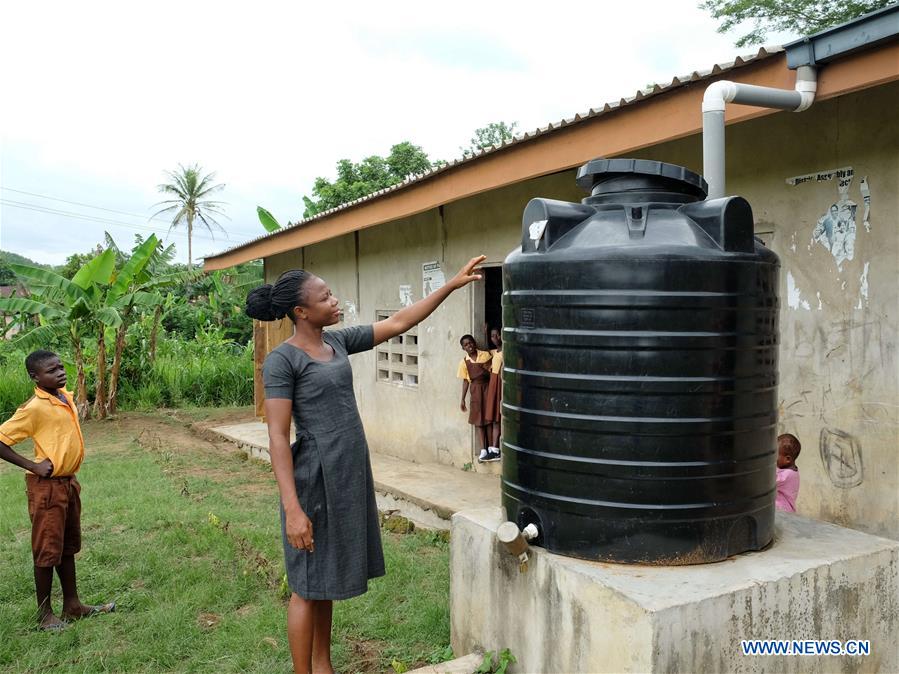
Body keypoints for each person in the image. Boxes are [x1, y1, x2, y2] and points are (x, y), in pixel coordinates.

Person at [246, 255, 485, 674]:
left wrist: (450, 286)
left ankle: (324, 667)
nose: (335, 301)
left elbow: (397, 323)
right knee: (305, 585)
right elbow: (278, 439)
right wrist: (293, 510)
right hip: (313, 478)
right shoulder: (283, 361)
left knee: (325, 582)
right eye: (325, 297)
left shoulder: (335, 343)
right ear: (301, 312)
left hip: (345, 474)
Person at [0, 350, 115, 630]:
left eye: (60, 367)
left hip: (67, 484)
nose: (60, 373)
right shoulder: (34, 408)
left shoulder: (65, 396)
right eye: (51, 371)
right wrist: (32, 465)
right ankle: (44, 615)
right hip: (47, 488)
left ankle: (73, 606)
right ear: (35, 377)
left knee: (66, 547)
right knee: (46, 550)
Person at [457, 334, 495, 463]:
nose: (469, 346)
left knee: (489, 418)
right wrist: (462, 399)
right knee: (479, 421)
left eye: (471, 343)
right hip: (475, 391)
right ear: (463, 348)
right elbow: (465, 382)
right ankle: (483, 450)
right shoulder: (464, 362)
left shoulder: (485, 355)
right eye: (466, 345)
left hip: (487, 389)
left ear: (475, 343)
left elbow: (492, 372)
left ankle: (491, 447)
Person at [484, 325, 503, 459]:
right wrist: (485, 334)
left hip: (500, 383)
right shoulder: (494, 352)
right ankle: (494, 449)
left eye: (497, 335)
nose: (495, 338)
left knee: (499, 416)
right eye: (492, 336)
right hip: (493, 383)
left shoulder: (506, 351)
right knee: (495, 417)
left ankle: (496, 448)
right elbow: (485, 351)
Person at [775, 433, 801, 513]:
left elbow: (768, 481)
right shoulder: (789, 470)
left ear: (787, 459)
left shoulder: (787, 475)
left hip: (783, 511)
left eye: (775, 454)